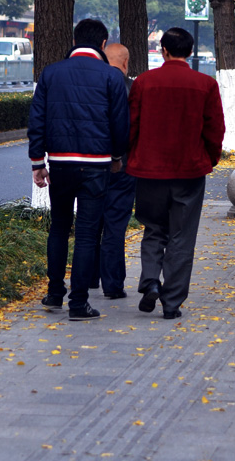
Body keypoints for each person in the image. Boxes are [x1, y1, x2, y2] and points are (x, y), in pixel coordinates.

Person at [28, 18, 129, 321]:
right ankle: (79, 303)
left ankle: (55, 293)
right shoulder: (111, 77)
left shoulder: (51, 73)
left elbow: (37, 119)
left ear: (74, 41)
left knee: (58, 227)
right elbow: (120, 125)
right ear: (102, 44)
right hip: (96, 166)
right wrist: (116, 156)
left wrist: (37, 162)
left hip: (60, 163)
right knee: (86, 235)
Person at [126, 26, 226, 319]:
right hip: (189, 172)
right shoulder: (205, 84)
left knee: (154, 228)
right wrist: (209, 158)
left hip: (149, 171)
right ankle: (171, 303)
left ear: (163, 50)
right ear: (191, 52)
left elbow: (131, 125)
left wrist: (132, 156)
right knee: (182, 236)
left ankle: (149, 282)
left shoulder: (144, 83)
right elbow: (215, 129)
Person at [89, 42, 137, 300]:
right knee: (115, 226)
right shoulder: (133, 89)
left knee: (91, 220)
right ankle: (113, 284)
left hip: (91, 163)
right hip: (124, 166)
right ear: (126, 63)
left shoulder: (92, 85)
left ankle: (88, 277)